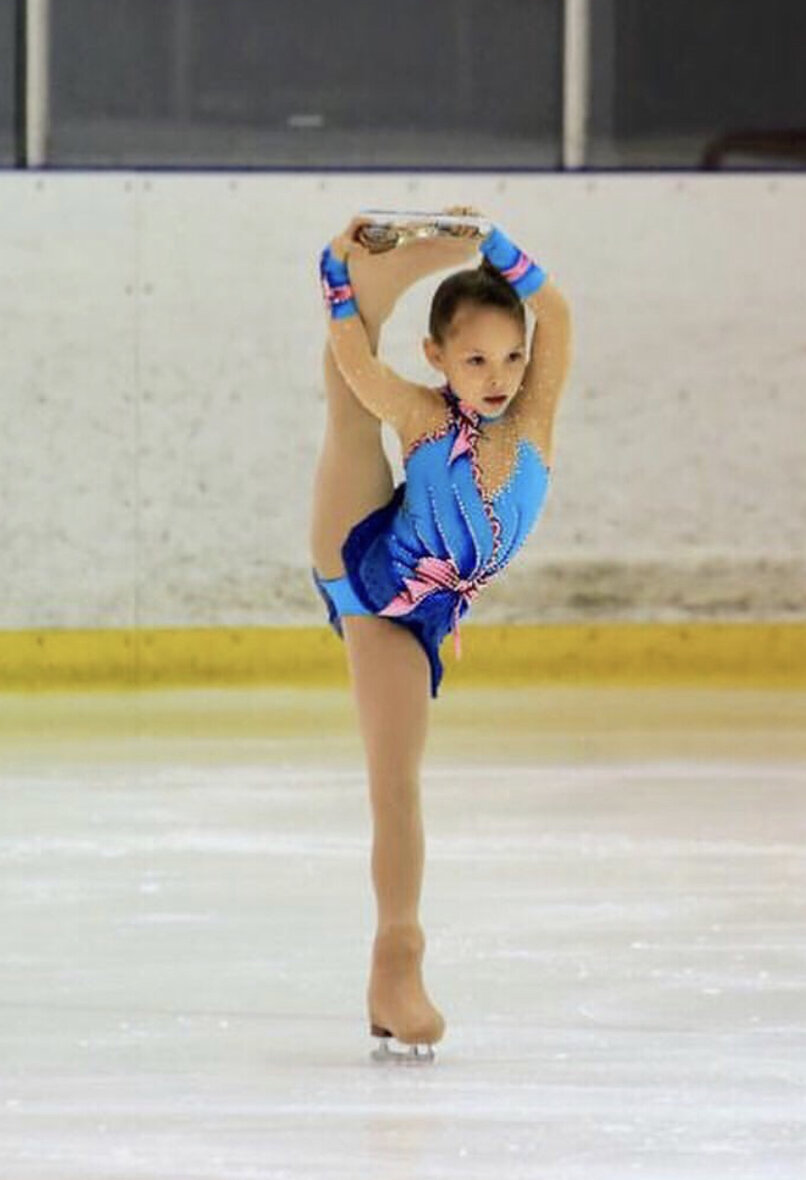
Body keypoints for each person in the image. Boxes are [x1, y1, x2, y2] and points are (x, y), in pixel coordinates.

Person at [310, 208, 572, 1060]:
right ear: (438, 360)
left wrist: (498, 248)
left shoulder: (534, 422)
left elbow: (558, 314)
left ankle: (391, 975)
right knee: (351, 417)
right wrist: (337, 289)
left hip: (422, 610)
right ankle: (399, 962)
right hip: (366, 573)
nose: (497, 376)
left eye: (511, 357)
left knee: (405, 782)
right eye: (474, 359)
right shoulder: (425, 418)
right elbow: (355, 368)